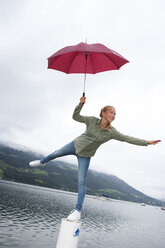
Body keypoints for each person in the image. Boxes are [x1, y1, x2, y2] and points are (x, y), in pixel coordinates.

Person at [29, 96, 161, 221]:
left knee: (82, 181)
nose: (113, 115)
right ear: (103, 112)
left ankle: (77, 211)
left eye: (115, 114)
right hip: (75, 145)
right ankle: (42, 162)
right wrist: (80, 104)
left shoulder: (112, 132)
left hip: (85, 155)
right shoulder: (92, 120)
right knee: (55, 153)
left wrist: (146, 142)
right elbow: (75, 117)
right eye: (111, 112)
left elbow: (127, 138)